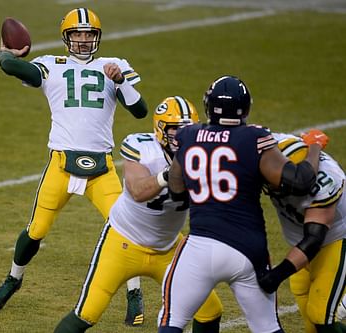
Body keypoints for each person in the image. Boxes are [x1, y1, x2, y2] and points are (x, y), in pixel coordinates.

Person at [0, 7, 148, 324]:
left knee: (127, 228)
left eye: (89, 34)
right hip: (60, 163)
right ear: (67, 37)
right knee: (36, 230)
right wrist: (6, 54)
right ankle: (13, 279)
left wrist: (122, 81)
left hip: (101, 168)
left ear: (97, 37)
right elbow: (12, 67)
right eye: (77, 34)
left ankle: (134, 294)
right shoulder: (50, 65)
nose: (83, 40)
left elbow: (140, 111)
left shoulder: (114, 66)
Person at [157, 75, 324, 333]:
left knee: (171, 322)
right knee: (267, 327)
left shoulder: (188, 135)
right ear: (245, 108)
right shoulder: (254, 137)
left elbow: (177, 188)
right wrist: (314, 148)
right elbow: (300, 181)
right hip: (247, 250)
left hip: (200, 246)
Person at [53, 96, 223, 332]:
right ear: (161, 129)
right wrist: (169, 176)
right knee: (86, 314)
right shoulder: (142, 146)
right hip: (123, 243)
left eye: (187, 129)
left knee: (210, 311)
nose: (180, 136)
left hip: (169, 248)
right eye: (174, 129)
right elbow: (137, 191)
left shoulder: (204, 154)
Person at [259, 133, 346, 333]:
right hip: (301, 239)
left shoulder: (325, 182)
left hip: (335, 239)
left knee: (320, 315)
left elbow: (313, 240)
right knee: (308, 317)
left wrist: (276, 275)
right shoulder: (270, 147)